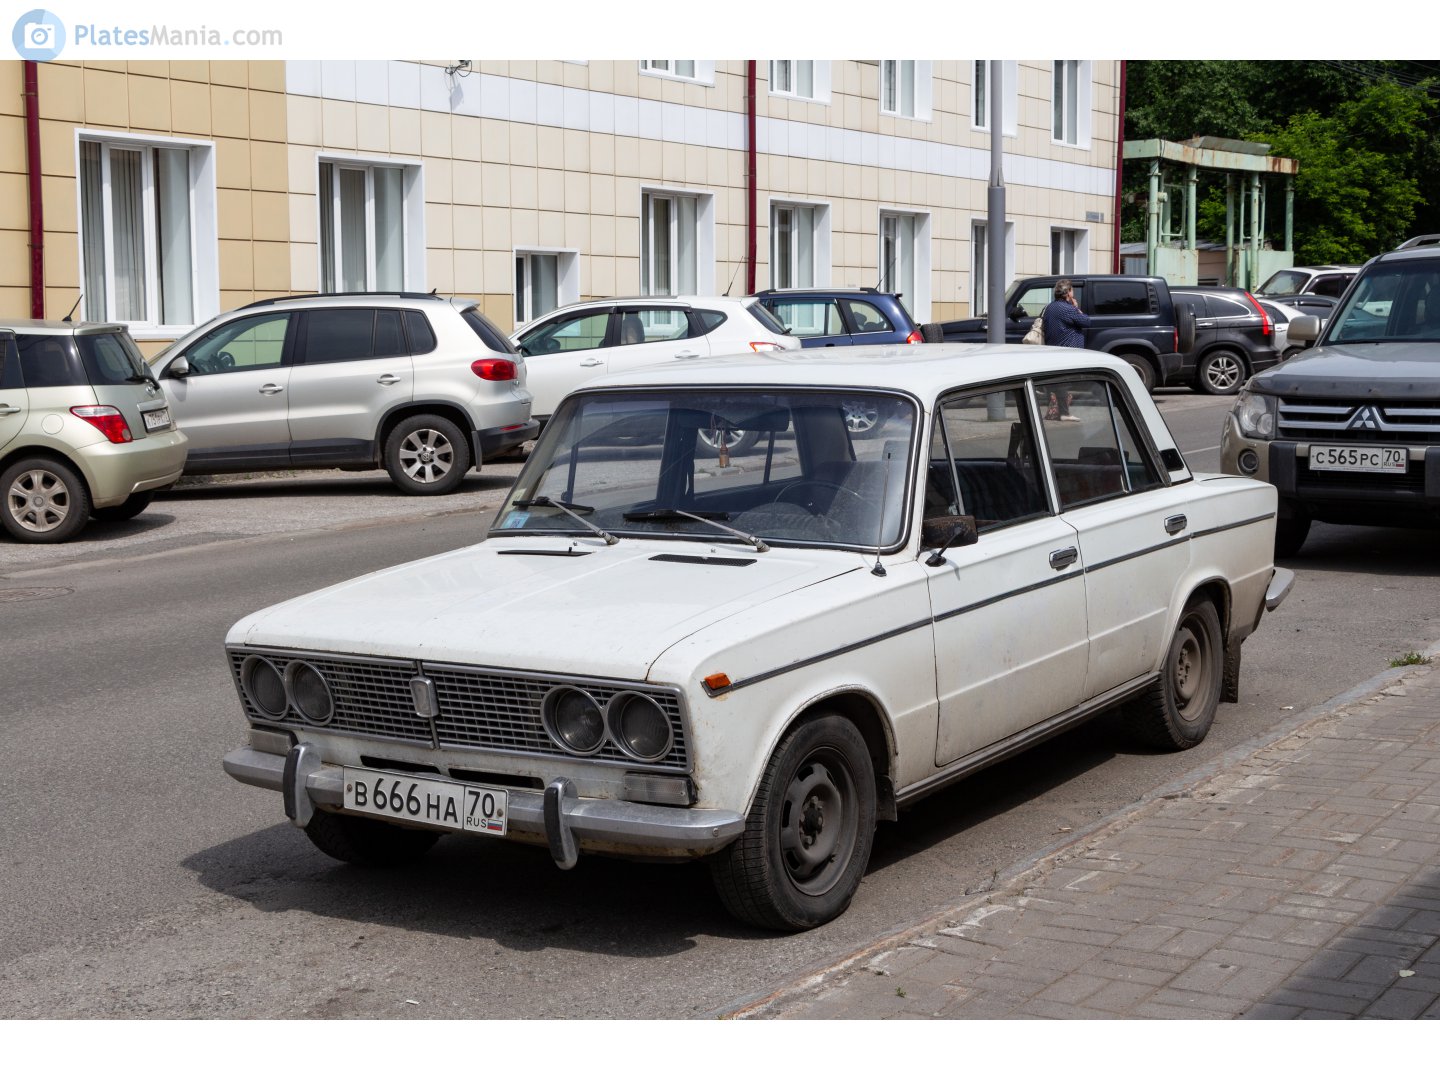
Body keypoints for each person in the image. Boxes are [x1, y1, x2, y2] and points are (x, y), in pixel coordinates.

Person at [1041, 279, 1090, 420]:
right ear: (1068, 293)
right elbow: (1086, 321)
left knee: (1057, 382)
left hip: (1054, 348)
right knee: (1062, 382)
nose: (1073, 293)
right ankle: (1063, 413)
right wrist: (1076, 307)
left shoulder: (1050, 307)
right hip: (1067, 350)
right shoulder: (1068, 309)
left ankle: (1057, 412)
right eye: (1072, 290)